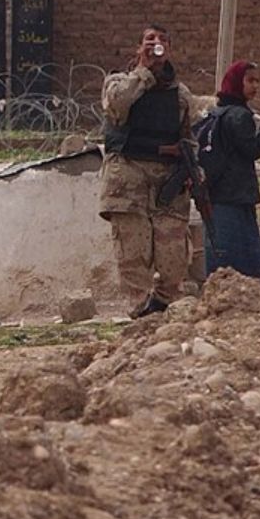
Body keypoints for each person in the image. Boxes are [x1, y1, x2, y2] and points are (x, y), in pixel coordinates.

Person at [100, 25, 209, 318]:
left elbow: (190, 135)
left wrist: (191, 167)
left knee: (173, 255)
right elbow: (117, 106)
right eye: (150, 40)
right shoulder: (119, 82)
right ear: (139, 47)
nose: (156, 44)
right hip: (128, 179)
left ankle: (162, 304)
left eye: (162, 41)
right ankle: (140, 310)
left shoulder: (179, 94)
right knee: (133, 252)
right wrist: (144, 72)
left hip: (167, 183)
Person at [199, 60, 260, 289]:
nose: (255, 86)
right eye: (250, 80)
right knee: (246, 247)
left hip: (218, 192)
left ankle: (228, 289)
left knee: (223, 247)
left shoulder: (216, 113)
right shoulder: (239, 116)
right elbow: (251, 150)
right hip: (235, 193)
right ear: (237, 82)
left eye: (257, 81)